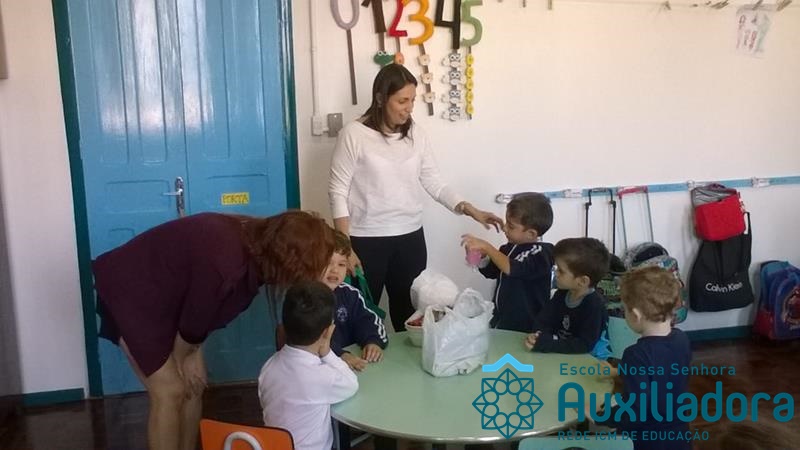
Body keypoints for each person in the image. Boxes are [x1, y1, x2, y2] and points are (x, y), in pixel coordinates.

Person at [92, 211, 334, 450]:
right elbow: (196, 316)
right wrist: (184, 358)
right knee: (170, 390)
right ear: (291, 258)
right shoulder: (226, 260)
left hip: (169, 300)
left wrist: (192, 353)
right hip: (133, 292)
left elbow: (200, 312)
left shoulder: (257, 244)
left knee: (194, 386)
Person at [328, 63, 503, 331]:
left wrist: (470, 209)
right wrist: (346, 247)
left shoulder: (416, 134)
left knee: (410, 314)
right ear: (380, 98)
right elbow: (337, 190)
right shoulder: (354, 134)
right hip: (366, 239)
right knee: (360, 312)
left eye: (412, 100)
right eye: (402, 101)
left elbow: (434, 182)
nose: (409, 108)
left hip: (410, 237)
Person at [587, 266, 692, 450]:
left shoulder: (635, 354)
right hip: (679, 434)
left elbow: (636, 410)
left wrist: (600, 416)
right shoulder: (681, 339)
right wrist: (618, 371)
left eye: (624, 310)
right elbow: (661, 369)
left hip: (647, 440)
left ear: (635, 315)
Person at [258, 281, 358, 450]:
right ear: (327, 332)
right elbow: (351, 384)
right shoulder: (322, 377)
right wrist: (327, 352)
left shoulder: (269, 366)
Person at [461, 192, 554, 332]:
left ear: (531, 234)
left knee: (514, 348)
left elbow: (515, 269)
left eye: (511, 226)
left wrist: (487, 247)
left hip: (528, 326)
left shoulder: (542, 253)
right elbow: (492, 272)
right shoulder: (507, 249)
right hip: (502, 320)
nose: (504, 228)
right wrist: (481, 256)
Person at [524, 237, 610, 355]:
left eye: (561, 271)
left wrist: (549, 344)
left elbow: (584, 345)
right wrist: (539, 335)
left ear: (583, 281)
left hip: (591, 359)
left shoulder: (594, 306)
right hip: (562, 353)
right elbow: (543, 321)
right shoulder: (561, 294)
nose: (556, 273)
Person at [324, 230, 388, 371]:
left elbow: (369, 320)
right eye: (328, 263)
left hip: (354, 366)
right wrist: (341, 355)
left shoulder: (350, 294)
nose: (335, 270)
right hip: (320, 371)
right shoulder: (304, 299)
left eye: (341, 264)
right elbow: (310, 341)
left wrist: (372, 341)